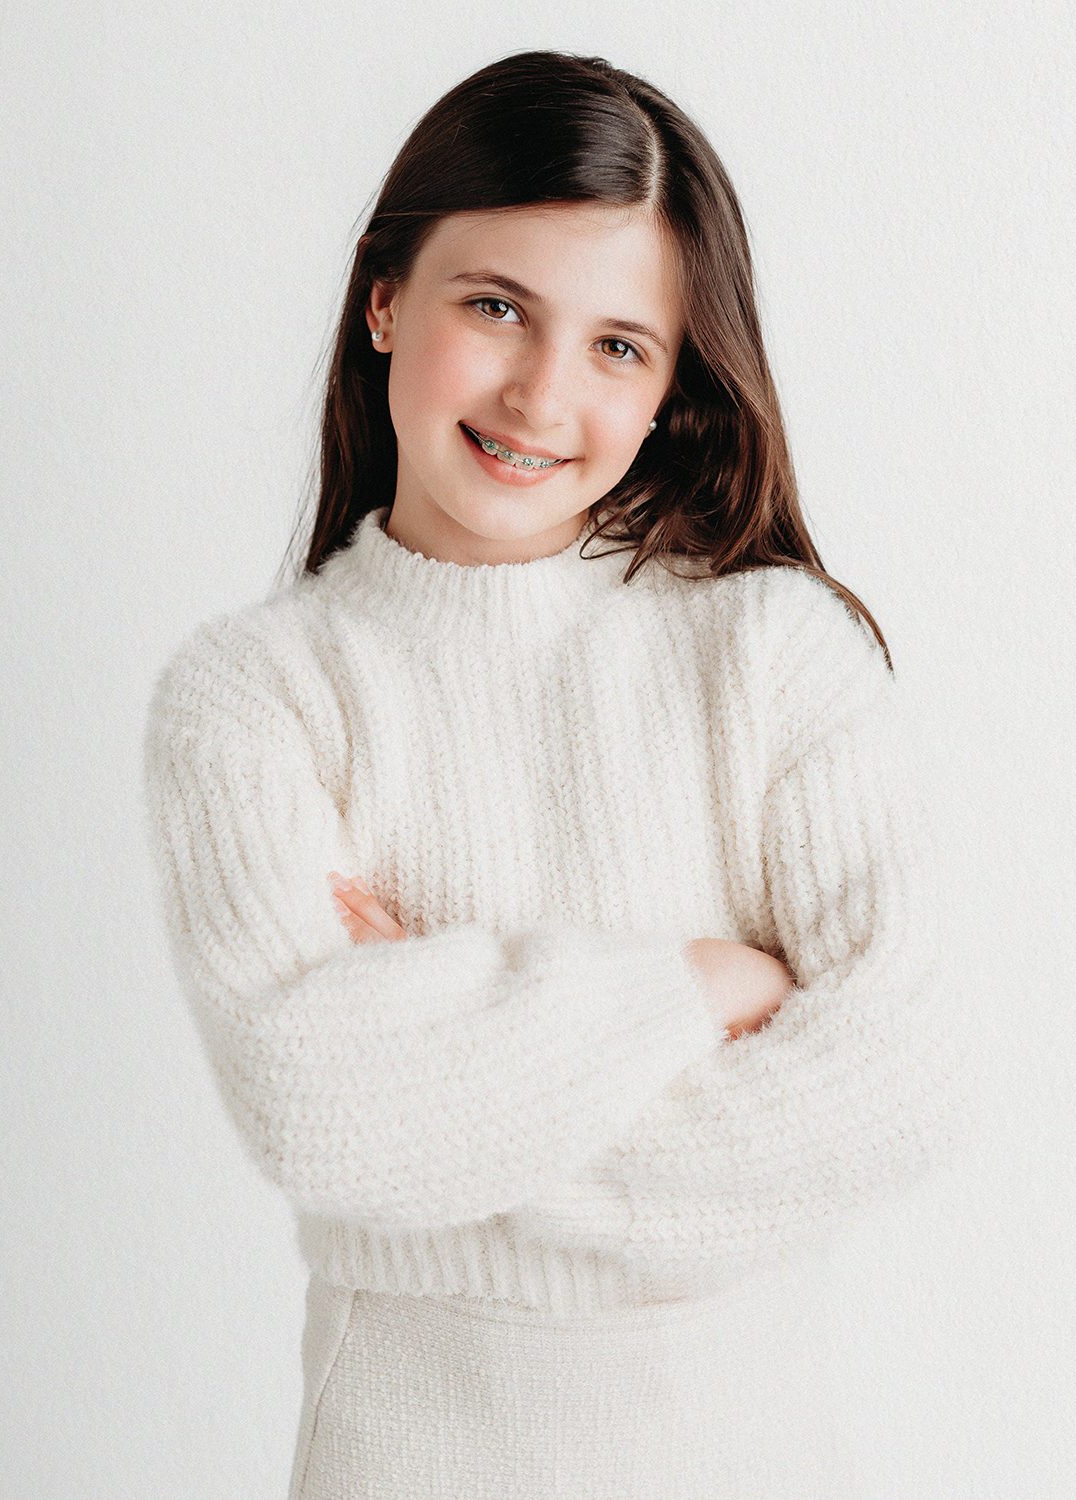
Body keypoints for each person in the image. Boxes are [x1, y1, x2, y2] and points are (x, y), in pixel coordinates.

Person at [141, 48, 967, 1500]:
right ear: (386, 299)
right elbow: (312, 1109)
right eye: (498, 306)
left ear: (668, 387)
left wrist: (457, 1090)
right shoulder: (255, 700)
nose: (540, 392)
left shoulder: (774, 654)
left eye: (617, 347)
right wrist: (700, 988)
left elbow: (900, 1081)